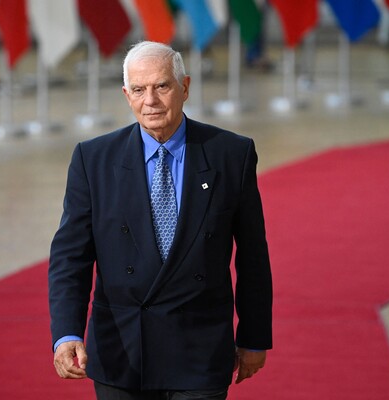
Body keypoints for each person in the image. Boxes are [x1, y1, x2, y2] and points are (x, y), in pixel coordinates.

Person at [48, 41, 273, 400]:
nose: (150, 100)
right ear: (127, 95)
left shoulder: (231, 154)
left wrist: (254, 336)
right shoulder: (93, 159)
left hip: (199, 352)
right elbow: (70, 257)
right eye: (138, 90)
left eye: (161, 86)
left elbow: (252, 256)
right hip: (122, 352)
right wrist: (66, 333)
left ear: (185, 87)